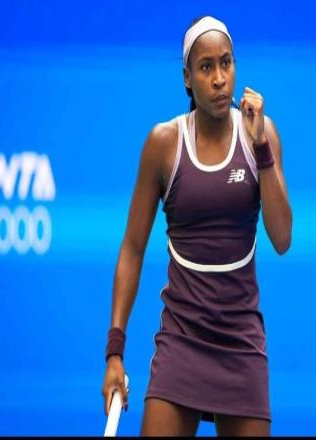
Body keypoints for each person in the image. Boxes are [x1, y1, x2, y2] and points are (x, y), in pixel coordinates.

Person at [101, 15, 292, 436]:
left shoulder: (261, 134)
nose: (219, 78)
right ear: (187, 78)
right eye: (206, 67)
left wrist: (261, 147)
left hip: (242, 345)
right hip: (181, 342)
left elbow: (282, 239)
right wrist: (115, 352)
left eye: (226, 63)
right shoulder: (163, 144)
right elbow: (132, 249)